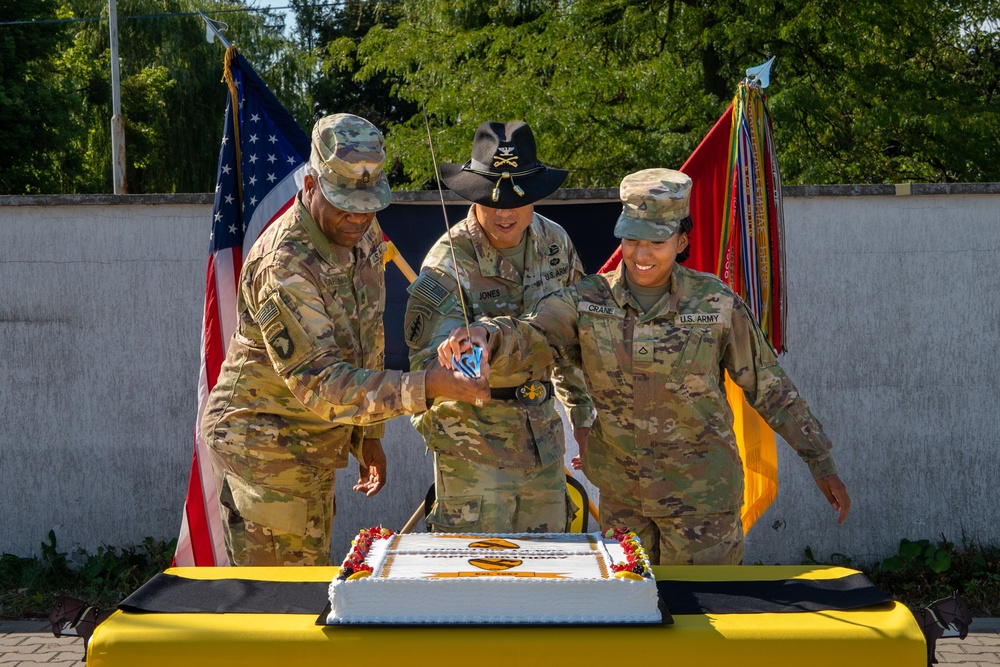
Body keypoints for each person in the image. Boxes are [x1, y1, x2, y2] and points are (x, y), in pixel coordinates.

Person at [439, 168, 850, 565]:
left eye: (656, 241)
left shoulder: (715, 303)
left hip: (702, 505)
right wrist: (485, 337)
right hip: (625, 504)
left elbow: (771, 386)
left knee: (706, 617)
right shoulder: (587, 300)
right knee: (635, 622)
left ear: (681, 239)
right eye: (631, 239)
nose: (641, 254)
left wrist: (820, 460)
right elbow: (532, 334)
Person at [202, 113, 490, 566]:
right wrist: (430, 385)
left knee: (309, 573)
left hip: (313, 437)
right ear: (311, 185)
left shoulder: (358, 228)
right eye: (345, 203)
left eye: (369, 203)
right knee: (279, 601)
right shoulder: (286, 266)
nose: (358, 216)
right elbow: (323, 383)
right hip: (263, 442)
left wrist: (366, 435)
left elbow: (368, 330)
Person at [404, 121, 595, 533]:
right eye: (492, 198)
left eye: (517, 198)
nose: (505, 212)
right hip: (474, 445)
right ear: (473, 195)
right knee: (476, 576)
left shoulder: (555, 243)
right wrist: (465, 364)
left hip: (542, 439)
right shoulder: (447, 260)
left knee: (547, 571)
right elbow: (430, 355)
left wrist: (582, 418)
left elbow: (574, 337)